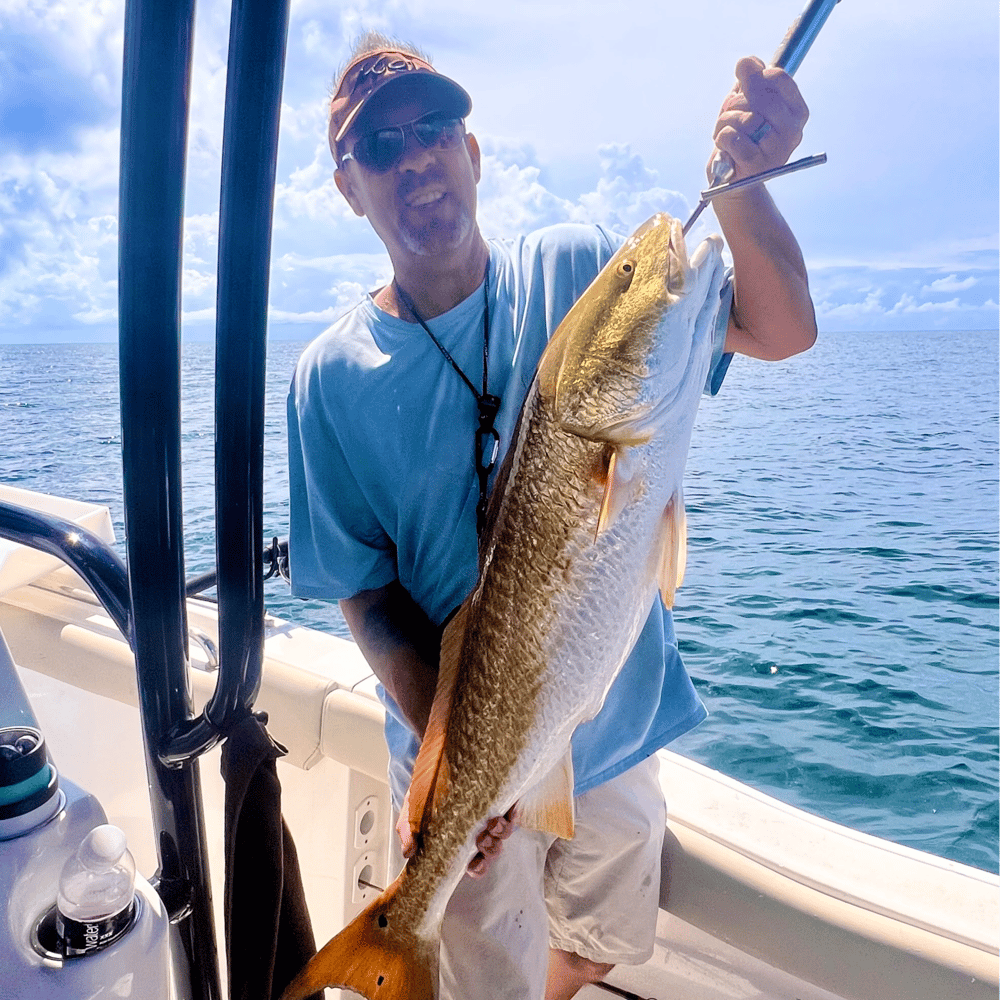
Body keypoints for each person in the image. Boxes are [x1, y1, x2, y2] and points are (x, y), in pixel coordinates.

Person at [287, 30, 815, 1000]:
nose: (415, 161)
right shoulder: (328, 380)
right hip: (457, 757)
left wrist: (743, 187)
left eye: (435, 131)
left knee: (606, 935)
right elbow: (363, 591)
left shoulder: (575, 265)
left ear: (473, 154)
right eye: (380, 147)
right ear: (347, 186)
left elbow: (779, 327)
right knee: (483, 976)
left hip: (615, 726)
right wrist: (449, 751)